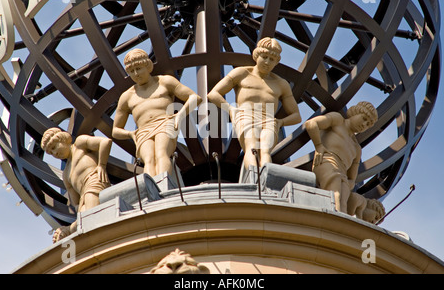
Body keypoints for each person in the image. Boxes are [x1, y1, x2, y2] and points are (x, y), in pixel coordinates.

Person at [207, 37, 301, 169]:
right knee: (251, 147)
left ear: (276, 63)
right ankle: (253, 176)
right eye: (264, 57)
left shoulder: (281, 84)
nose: (267, 62)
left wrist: (281, 122)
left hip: (268, 120)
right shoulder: (242, 73)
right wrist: (231, 109)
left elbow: (296, 116)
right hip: (246, 116)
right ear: (256, 56)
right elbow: (213, 94)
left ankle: (265, 181)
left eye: (272, 59)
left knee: (265, 149)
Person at [113, 48, 201, 177]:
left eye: (139, 68)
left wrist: (179, 115)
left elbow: (194, 98)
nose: (136, 74)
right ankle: (153, 190)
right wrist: (131, 134)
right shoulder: (127, 97)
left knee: (161, 153)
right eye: (132, 71)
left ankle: (163, 184)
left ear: (148, 66)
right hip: (143, 131)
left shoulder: (165, 82)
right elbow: (115, 130)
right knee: (148, 159)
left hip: (164, 123)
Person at [304, 101, 379, 215]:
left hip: (342, 174)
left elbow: (352, 178)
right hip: (327, 161)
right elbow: (311, 124)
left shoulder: (356, 148)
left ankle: (338, 225)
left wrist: (350, 183)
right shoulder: (338, 120)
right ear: (355, 112)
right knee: (335, 195)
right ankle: (334, 222)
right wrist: (319, 146)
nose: (364, 125)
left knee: (343, 202)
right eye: (364, 118)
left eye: (368, 124)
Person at [41, 127, 112, 242]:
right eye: (51, 153)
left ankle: (68, 231)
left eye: (54, 147)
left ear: (62, 139)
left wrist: (101, 165)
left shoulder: (79, 144)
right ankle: (67, 231)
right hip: (84, 196)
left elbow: (105, 142)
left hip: (93, 183)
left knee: (90, 217)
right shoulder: (66, 174)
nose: (55, 153)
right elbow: (76, 203)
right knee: (84, 221)